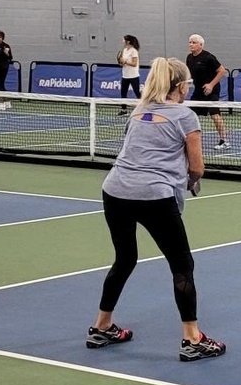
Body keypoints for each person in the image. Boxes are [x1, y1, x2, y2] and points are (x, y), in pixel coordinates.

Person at [87, 56, 225, 362]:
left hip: (114, 190)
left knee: (124, 259)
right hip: (154, 196)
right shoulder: (185, 116)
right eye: (187, 82)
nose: (189, 86)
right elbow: (198, 166)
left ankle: (102, 326)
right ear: (180, 86)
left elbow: (131, 151)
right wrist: (189, 181)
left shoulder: (138, 113)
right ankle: (192, 339)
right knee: (182, 265)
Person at [185, 34, 230, 150]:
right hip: (198, 90)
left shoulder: (209, 57)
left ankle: (224, 140)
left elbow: (222, 71)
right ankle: (191, 138)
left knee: (215, 116)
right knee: (190, 115)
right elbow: (189, 74)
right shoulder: (189, 58)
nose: (191, 44)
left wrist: (211, 85)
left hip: (212, 90)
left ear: (201, 45)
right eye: (190, 42)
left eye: (194, 42)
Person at [117, 35, 141, 114]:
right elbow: (124, 63)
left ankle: (144, 108)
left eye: (124, 40)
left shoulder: (134, 51)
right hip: (125, 75)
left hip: (133, 76)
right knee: (123, 93)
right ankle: (124, 110)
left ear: (128, 41)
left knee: (137, 93)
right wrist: (122, 63)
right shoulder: (124, 50)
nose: (122, 41)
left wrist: (125, 61)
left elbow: (134, 63)